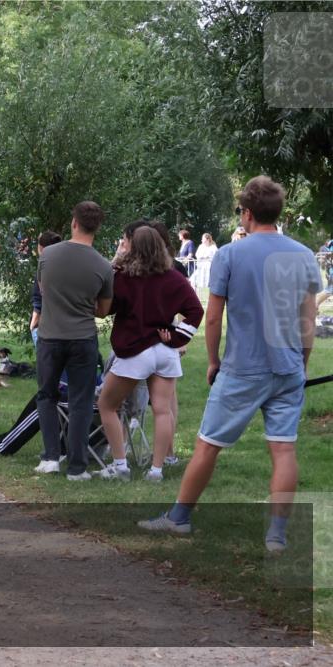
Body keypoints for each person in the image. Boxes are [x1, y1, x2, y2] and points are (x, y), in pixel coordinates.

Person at [139, 176, 321, 553]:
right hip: (288, 368)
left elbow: (213, 317)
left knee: (208, 445)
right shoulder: (304, 255)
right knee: (284, 450)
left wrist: (213, 361)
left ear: (248, 212)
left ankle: (179, 518)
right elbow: (308, 321)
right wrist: (301, 365)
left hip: (243, 368)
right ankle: (277, 535)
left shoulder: (229, 255)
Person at [96, 226, 204, 482]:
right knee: (163, 411)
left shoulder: (123, 277)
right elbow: (195, 311)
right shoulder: (174, 277)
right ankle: (156, 470)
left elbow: (107, 309)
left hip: (135, 351)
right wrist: (178, 338)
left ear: (133, 247)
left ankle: (120, 465)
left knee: (107, 405)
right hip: (165, 352)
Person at [34, 201, 114, 481]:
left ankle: (50, 458)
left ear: (74, 222)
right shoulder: (104, 266)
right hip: (82, 338)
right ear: (97, 228)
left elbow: (45, 292)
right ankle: (77, 467)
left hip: (50, 336)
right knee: (80, 401)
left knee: (46, 395)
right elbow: (103, 310)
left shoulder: (48, 256)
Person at [29, 231, 63, 347]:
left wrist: (33, 324)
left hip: (44, 326)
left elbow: (39, 299)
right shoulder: (64, 267)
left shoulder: (43, 269)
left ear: (41, 248)